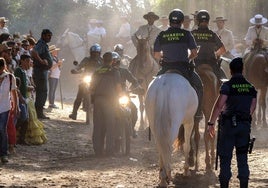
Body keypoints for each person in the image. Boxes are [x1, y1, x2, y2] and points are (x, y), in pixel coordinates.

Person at [208, 57, 257, 188]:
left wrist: (211, 123)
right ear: (243, 69)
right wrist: (244, 118)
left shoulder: (227, 86)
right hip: (244, 126)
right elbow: (252, 107)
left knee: (225, 158)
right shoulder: (251, 87)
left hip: (228, 126)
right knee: (242, 159)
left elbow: (219, 105)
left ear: (230, 71)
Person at [153, 9, 203, 120]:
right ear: (181, 22)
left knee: (153, 87)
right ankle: (198, 114)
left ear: (170, 21)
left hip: (166, 68)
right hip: (183, 68)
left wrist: (164, 57)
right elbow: (194, 53)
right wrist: (188, 59)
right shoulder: (186, 34)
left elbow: (156, 55)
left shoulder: (162, 34)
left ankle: (152, 113)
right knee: (198, 85)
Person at [90, 51, 122, 156]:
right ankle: (109, 151)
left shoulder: (97, 71)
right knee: (110, 125)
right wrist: (120, 96)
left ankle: (97, 151)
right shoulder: (114, 71)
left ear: (103, 60)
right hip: (110, 101)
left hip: (98, 100)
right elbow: (118, 88)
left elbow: (91, 87)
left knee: (98, 125)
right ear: (113, 61)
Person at [112, 51, 143, 138]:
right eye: (112, 61)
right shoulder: (107, 72)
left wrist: (138, 87)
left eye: (115, 61)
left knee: (134, 110)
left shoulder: (124, 71)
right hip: (110, 97)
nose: (114, 63)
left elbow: (134, 81)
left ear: (118, 61)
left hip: (123, 95)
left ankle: (132, 128)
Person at [69, 43, 103, 121]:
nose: (95, 54)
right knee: (79, 95)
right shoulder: (86, 59)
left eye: (96, 53)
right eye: (93, 53)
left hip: (97, 81)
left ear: (99, 53)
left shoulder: (101, 61)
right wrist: (75, 70)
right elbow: (80, 66)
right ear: (91, 53)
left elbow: (106, 68)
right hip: (86, 79)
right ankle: (74, 113)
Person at [192, 10, 227, 81]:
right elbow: (223, 50)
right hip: (211, 63)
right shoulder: (213, 34)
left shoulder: (192, 34)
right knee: (223, 78)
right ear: (208, 22)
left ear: (197, 21)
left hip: (196, 63)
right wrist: (216, 54)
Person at [31, 29, 53, 119]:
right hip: (39, 71)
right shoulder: (41, 44)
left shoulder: (44, 44)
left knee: (43, 91)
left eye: (50, 36)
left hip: (42, 71)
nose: (50, 37)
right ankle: (39, 112)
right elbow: (34, 52)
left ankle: (39, 111)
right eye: (48, 35)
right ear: (43, 35)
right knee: (42, 91)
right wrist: (41, 61)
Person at [0, 57, 18, 164]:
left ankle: (3, 154)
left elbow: (14, 93)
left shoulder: (10, 78)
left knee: (2, 129)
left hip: (4, 108)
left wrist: (15, 106)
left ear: (3, 67)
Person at [14, 54, 34, 144]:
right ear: (22, 61)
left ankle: (21, 138)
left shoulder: (24, 71)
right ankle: (15, 136)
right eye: (27, 61)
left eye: (29, 62)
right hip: (20, 97)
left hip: (25, 97)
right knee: (22, 118)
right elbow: (18, 86)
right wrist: (29, 88)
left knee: (25, 119)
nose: (28, 63)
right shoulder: (18, 70)